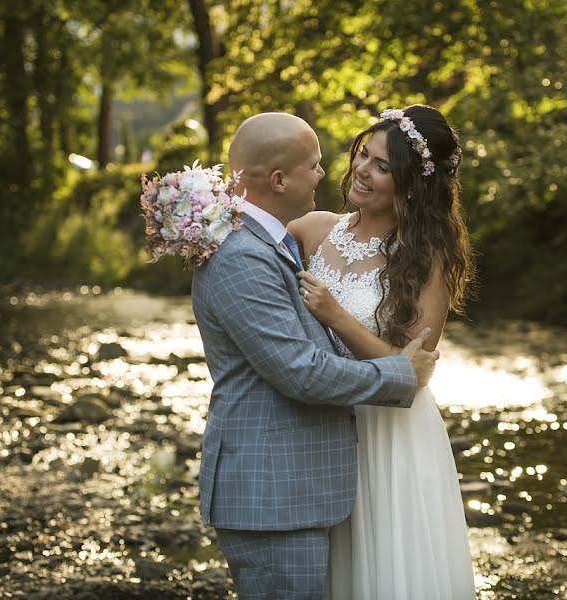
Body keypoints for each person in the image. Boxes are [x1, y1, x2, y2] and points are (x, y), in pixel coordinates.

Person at [190, 112, 440, 599]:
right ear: (280, 179)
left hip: (321, 471)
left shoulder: (271, 240)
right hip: (276, 488)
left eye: (380, 164)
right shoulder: (247, 253)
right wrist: (400, 374)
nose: (333, 173)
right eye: (315, 165)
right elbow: (301, 372)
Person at [289, 105, 477, 599]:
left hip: (388, 431)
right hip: (321, 419)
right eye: (364, 156)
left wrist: (337, 317)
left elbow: (411, 370)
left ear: (412, 184)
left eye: (382, 167)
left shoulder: (427, 257)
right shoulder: (311, 230)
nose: (363, 172)